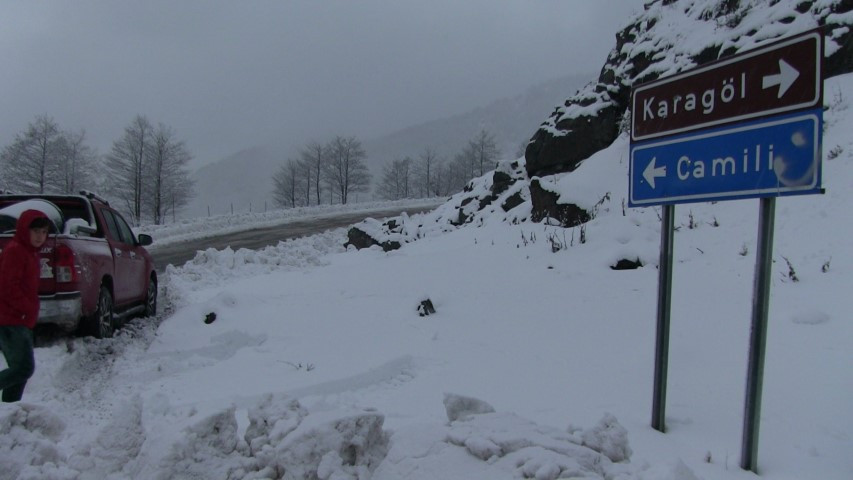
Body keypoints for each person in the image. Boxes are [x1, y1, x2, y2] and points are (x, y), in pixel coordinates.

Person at [0, 209, 50, 403]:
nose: (40, 236)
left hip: (20, 319)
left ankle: (9, 411)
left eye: (44, 232)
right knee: (24, 368)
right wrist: (27, 308)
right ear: (24, 229)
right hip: (11, 320)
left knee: (18, 371)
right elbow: (6, 287)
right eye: (36, 231)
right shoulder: (16, 251)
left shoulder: (29, 252)